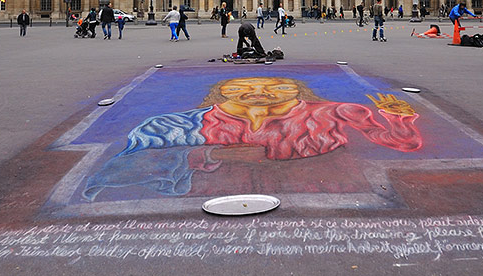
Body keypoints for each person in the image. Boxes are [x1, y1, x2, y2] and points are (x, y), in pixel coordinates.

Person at [83, 76, 423, 198]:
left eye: (278, 86)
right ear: (221, 91)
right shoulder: (173, 124)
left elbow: (402, 142)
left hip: (333, 204)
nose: (259, 90)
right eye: (240, 86)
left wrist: (399, 120)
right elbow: (115, 171)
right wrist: (207, 155)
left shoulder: (334, 112)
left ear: (297, 88)